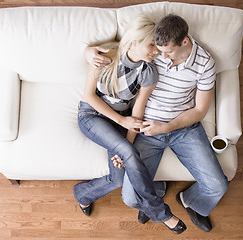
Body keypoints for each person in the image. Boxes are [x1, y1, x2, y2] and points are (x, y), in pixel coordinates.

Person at [90, 14, 229, 232]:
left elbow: (200, 110)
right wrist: (88, 51)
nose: (159, 55)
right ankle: (156, 190)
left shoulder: (204, 63)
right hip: (146, 128)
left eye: (167, 51)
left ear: (184, 42)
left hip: (184, 128)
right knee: (130, 198)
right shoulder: (153, 51)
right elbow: (124, 47)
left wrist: (167, 127)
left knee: (218, 186)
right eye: (156, 48)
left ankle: (192, 203)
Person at [73, 15, 186, 235]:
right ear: (135, 42)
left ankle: (82, 194)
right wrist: (121, 123)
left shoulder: (149, 71)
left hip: (121, 122)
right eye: (152, 45)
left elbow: (138, 110)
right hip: (92, 115)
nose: (157, 51)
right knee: (127, 152)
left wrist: (126, 139)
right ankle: (159, 212)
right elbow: (89, 95)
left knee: (117, 178)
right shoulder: (106, 56)